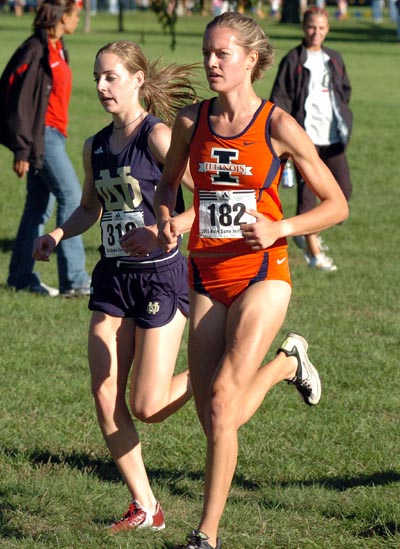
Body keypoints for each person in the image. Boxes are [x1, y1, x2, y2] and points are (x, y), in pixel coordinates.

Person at [154, 12, 349, 549]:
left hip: (265, 274)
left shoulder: (278, 126)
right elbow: (169, 185)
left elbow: (337, 205)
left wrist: (280, 225)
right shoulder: (191, 122)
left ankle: (206, 535)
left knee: (221, 403)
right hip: (205, 275)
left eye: (223, 53)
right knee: (217, 417)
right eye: (207, 52)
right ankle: (289, 364)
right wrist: (167, 219)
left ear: (251, 60)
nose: (212, 62)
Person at [33, 40, 198, 531]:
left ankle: (219, 368)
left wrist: (167, 228)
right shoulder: (95, 145)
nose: (102, 86)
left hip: (159, 276)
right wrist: (58, 234)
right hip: (113, 278)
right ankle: (146, 506)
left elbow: (205, 199)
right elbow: (90, 207)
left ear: (137, 80)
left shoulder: (159, 137)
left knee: (147, 406)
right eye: (97, 78)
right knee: (105, 394)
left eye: (111, 77)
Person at [0, 0, 90, 297]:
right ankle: (75, 281)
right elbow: (19, 99)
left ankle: (21, 277)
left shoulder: (57, 46)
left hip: (55, 135)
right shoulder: (36, 49)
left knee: (37, 206)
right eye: (75, 15)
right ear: (62, 16)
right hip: (43, 136)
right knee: (72, 195)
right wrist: (22, 149)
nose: (78, 20)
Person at [270, 6, 352, 272]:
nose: (315, 32)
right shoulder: (293, 60)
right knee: (308, 197)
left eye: (321, 28)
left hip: (333, 137)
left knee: (343, 192)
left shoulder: (335, 58)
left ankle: (308, 233)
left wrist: (342, 116)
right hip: (306, 139)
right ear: (304, 28)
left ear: (327, 29)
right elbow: (279, 99)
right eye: (311, 27)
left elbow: (344, 90)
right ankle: (313, 251)